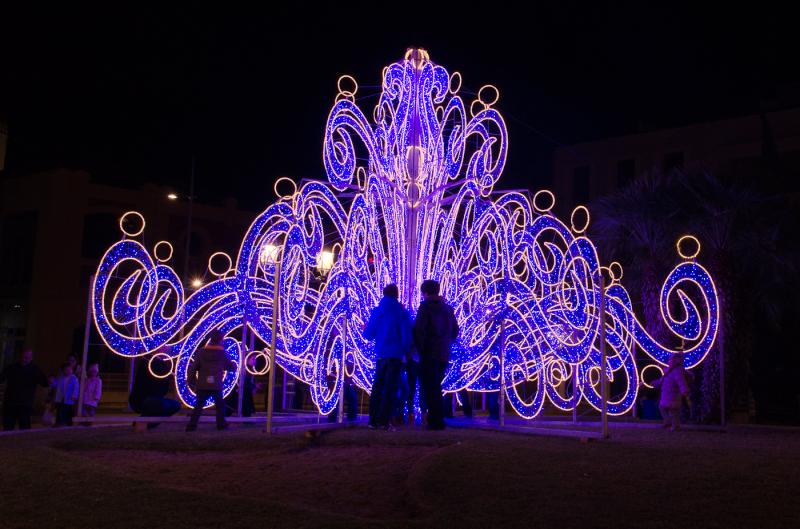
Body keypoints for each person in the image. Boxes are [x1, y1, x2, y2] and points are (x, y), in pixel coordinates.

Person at [364, 283, 412, 430]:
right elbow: (406, 336)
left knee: (377, 387)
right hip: (396, 355)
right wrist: (406, 350)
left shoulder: (377, 311)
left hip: (381, 355)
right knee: (391, 389)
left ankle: (373, 420)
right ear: (396, 295)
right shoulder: (401, 312)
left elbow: (368, 334)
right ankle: (384, 421)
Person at [413, 279, 459, 430]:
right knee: (435, 386)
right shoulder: (448, 309)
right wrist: (446, 342)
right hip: (443, 353)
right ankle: (437, 419)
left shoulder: (425, 307)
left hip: (429, 353)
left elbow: (420, 331)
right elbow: (455, 331)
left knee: (430, 387)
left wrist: (419, 350)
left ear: (425, 293)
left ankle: (436, 421)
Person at [186, 330, 236, 432]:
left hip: (202, 383)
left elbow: (194, 367)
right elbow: (230, 366)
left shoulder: (201, 352)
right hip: (216, 384)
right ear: (221, 340)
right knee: (220, 406)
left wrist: (190, 380)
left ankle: (192, 426)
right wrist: (232, 365)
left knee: (198, 407)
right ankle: (221, 425)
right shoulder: (222, 353)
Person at [129, 352, 181, 429]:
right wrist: (168, 376)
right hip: (142, 399)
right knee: (160, 405)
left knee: (176, 405)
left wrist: (170, 376)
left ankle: (147, 424)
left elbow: (163, 377)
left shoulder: (161, 362)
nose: (167, 348)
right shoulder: (147, 360)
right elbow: (156, 375)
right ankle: (142, 423)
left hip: (156, 398)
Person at [0, 349, 49, 430]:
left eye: (27, 357)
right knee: (8, 426)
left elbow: (44, 383)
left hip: (25, 403)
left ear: (31, 358)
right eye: (23, 357)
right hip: (10, 401)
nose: (24, 359)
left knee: (24, 427)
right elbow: (1, 378)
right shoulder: (12, 367)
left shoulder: (35, 370)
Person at [653, 353, 691, 431]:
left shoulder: (677, 371)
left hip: (673, 394)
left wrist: (684, 390)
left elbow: (681, 382)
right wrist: (655, 383)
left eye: (670, 360)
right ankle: (668, 422)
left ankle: (675, 426)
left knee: (673, 412)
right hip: (667, 394)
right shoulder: (669, 371)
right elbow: (662, 380)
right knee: (663, 408)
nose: (669, 362)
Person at [53, 362, 79, 426]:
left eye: (69, 370)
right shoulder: (60, 378)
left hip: (69, 399)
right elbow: (56, 385)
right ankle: (59, 423)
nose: (68, 371)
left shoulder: (74, 378)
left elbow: (76, 387)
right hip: (61, 398)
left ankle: (67, 423)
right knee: (60, 411)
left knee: (68, 412)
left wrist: (74, 395)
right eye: (66, 370)